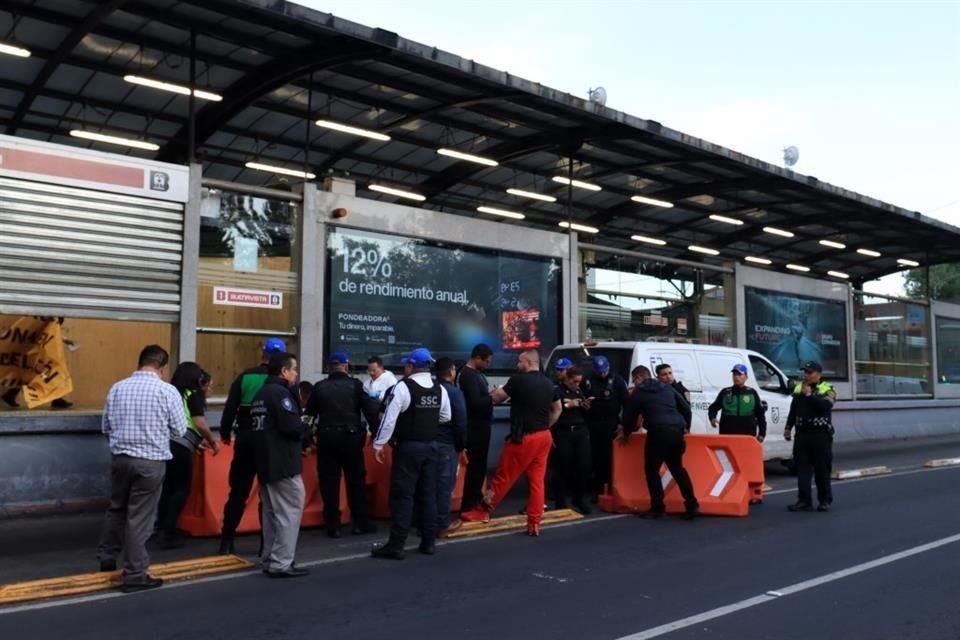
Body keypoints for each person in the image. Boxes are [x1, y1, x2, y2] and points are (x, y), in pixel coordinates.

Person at [97, 345, 188, 593]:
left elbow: (105, 427)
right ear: (163, 367)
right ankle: (135, 573)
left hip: (120, 459)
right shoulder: (167, 391)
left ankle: (107, 556)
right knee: (140, 518)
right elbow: (180, 429)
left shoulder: (117, 387)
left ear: (140, 362)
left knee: (117, 507)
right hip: (150, 462)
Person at [460, 349, 561, 537]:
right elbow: (557, 408)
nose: (517, 365)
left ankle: (483, 512)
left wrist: (475, 400)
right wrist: (546, 426)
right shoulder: (549, 384)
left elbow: (497, 398)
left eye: (520, 361)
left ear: (529, 363)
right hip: (544, 436)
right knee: (537, 480)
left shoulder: (518, 380)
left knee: (502, 477)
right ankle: (534, 521)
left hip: (523, 437)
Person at [371, 347, 450, 559]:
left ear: (411, 366)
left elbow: (389, 420)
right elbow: (446, 416)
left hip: (408, 448)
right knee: (428, 495)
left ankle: (396, 545)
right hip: (431, 447)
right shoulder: (439, 389)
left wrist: (379, 444)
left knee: (403, 496)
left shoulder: (403, 387)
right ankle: (428, 542)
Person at [218, 337, 287, 555]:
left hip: (246, 438)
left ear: (263, 353)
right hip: (270, 442)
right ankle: (264, 544)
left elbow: (230, 408)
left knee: (238, 492)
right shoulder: (282, 380)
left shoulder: (245, 376)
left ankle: (227, 540)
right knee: (268, 493)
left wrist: (225, 432)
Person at [304, 352, 377, 538]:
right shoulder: (356, 386)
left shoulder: (319, 388)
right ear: (346, 366)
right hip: (351, 438)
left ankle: (333, 525)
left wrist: (306, 439)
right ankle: (359, 522)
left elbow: (308, 417)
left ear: (329, 368)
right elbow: (370, 411)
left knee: (329, 482)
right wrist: (377, 435)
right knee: (356, 481)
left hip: (327, 438)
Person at [252, 351, 310, 577]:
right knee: (289, 510)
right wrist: (306, 426)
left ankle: (270, 557)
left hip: (265, 460)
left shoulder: (261, 393)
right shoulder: (281, 394)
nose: (296, 374)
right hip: (283, 461)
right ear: (284, 371)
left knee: (271, 513)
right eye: (294, 369)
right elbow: (291, 426)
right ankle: (282, 562)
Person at [620, 365, 699, 519]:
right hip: (676, 432)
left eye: (634, 380)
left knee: (652, 471)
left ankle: (658, 508)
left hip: (658, 433)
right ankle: (692, 505)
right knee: (678, 469)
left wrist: (626, 433)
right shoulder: (667, 388)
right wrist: (685, 428)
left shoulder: (640, 392)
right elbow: (686, 408)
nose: (634, 383)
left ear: (638, 378)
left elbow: (630, 416)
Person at [156, 363, 220, 549]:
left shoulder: (173, 393)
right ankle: (168, 532)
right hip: (181, 445)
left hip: (166, 443)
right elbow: (199, 423)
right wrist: (212, 441)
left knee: (168, 488)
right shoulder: (192, 395)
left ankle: (161, 527)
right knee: (181, 489)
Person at [784, 361, 836, 513]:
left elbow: (826, 406)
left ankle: (825, 500)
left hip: (820, 435)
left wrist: (810, 395)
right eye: (805, 372)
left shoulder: (827, 389)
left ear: (818, 374)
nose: (806, 375)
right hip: (802, 434)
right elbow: (794, 409)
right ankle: (804, 500)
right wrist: (788, 427)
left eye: (809, 372)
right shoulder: (800, 388)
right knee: (802, 470)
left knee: (822, 470)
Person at [456, 343, 494, 513]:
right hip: (475, 428)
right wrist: (492, 397)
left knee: (479, 467)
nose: (488, 365)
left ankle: (475, 498)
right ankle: (469, 503)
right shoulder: (467, 375)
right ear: (477, 358)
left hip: (482, 426)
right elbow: (474, 402)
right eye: (486, 361)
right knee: (475, 468)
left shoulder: (477, 374)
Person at [583, 355, 628, 495]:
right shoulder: (588, 380)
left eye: (604, 370)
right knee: (594, 457)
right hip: (592, 424)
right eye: (599, 371)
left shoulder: (617, 381)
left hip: (610, 425)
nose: (602, 373)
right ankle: (597, 489)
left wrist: (623, 423)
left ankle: (608, 487)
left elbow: (627, 403)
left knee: (608, 458)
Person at [433, 357, 468, 537]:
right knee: (444, 484)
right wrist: (462, 445)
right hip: (447, 443)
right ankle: (442, 524)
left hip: (427, 442)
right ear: (450, 372)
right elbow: (460, 421)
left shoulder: (430, 389)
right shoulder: (453, 393)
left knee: (428, 484)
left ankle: (426, 523)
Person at [551, 366, 592, 514]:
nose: (577, 384)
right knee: (563, 467)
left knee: (582, 466)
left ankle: (579, 498)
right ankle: (560, 501)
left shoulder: (579, 391)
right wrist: (569, 404)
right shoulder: (558, 391)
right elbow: (555, 408)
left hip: (580, 431)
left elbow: (583, 408)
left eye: (579, 382)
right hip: (564, 431)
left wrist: (585, 404)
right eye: (574, 381)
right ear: (567, 378)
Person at [708, 364, 767, 441]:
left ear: (746, 377)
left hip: (747, 436)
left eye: (739, 374)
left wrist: (762, 433)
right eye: (734, 374)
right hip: (727, 436)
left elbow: (760, 415)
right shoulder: (725, 392)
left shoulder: (751, 393)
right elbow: (713, 408)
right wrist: (712, 418)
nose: (736, 377)